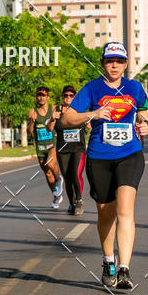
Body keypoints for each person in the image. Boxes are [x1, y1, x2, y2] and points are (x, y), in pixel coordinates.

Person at [62, 41, 148, 290]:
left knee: (125, 210)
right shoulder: (91, 89)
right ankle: (108, 260)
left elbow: (144, 110)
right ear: (102, 63)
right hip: (99, 156)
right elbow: (67, 117)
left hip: (129, 154)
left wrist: (145, 124)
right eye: (110, 60)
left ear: (125, 64)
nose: (114, 65)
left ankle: (124, 269)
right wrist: (94, 114)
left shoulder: (134, 87)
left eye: (119, 61)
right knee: (105, 212)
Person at [51, 85, 87, 215]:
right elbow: (50, 129)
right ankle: (72, 203)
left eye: (71, 95)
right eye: (66, 95)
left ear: (75, 97)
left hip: (78, 148)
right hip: (63, 149)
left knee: (76, 175)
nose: (68, 98)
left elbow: (89, 124)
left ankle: (79, 200)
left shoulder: (80, 110)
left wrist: (89, 122)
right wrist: (52, 119)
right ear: (62, 97)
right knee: (67, 177)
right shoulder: (57, 111)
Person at [28, 87, 64, 209]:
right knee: (48, 174)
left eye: (43, 95)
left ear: (48, 97)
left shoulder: (54, 108)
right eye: (39, 95)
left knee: (50, 163)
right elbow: (30, 132)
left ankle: (59, 179)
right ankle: (56, 196)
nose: (41, 98)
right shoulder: (33, 111)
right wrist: (32, 122)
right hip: (40, 146)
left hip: (52, 144)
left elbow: (62, 123)